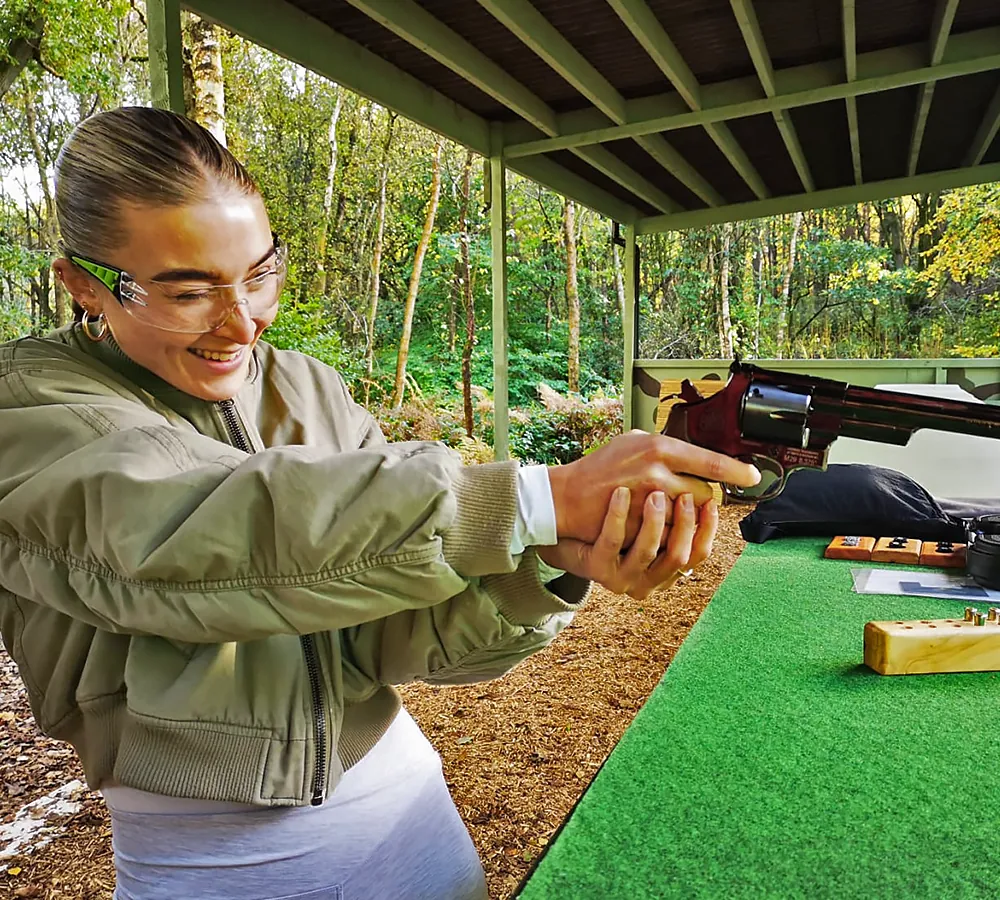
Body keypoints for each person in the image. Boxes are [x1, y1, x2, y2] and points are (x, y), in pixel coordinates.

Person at [0, 107, 759, 900]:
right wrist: (538, 496)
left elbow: (381, 636)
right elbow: (198, 534)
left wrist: (544, 562)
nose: (242, 324)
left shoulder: (306, 386)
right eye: (189, 292)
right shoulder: (26, 407)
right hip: (216, 867)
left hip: (410, 815)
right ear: (83, 283)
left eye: (260, 274)